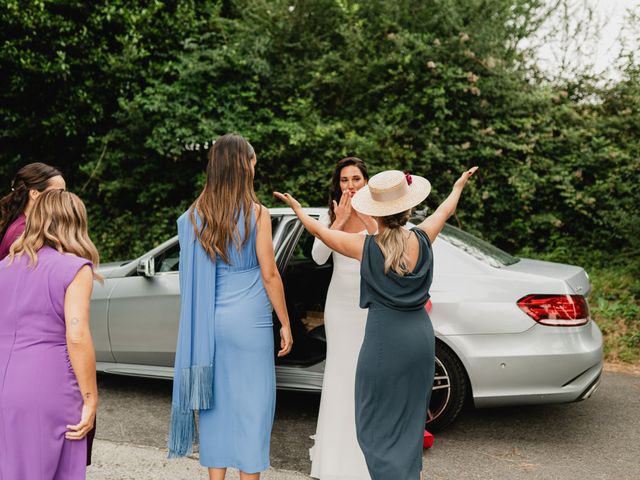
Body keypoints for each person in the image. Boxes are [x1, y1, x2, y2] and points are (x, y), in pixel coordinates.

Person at [275, 166, 478, 479]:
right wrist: (458, 186)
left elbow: (320, 233)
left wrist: (298, 210)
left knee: (371, 421)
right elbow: (445, 209)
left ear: (376, 214)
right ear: (408, 209)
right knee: (410, 418)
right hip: (420, 340)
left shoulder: (366, 247)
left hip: (384, 341)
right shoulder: (423, 238)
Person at [168, 133, 294, 480]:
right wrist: (284, 322)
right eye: (252, 162)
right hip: (250, 325)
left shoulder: (197, 216)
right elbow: (269, 273)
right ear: (244, 166)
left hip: (212, 325)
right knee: (253, 406)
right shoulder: (257, 213)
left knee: (216, 407)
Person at [0, 189, 100, 480]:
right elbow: (77, 334)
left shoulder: (3, 267)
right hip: (48, 385)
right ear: (75, 223)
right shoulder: (75, 268)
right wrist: (90, 398)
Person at [310, 157, 376, 480]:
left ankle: (366, 458)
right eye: (345, 180)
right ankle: (334, 461)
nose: (350, 185)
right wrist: (340, 220)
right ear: (338, 184)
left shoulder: (379, 213)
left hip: (370, 308)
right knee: (339, 376)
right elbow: (317, 256)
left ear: (366, 181)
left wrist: (364, 218)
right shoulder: (331, 214)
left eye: (356, 179)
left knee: (366, 379)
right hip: (338, 308)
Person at [0, 162, 66, 260]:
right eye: (58, 193)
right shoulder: (22, 231)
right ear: (34, 193)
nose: (63, 198)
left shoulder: (32, 226)